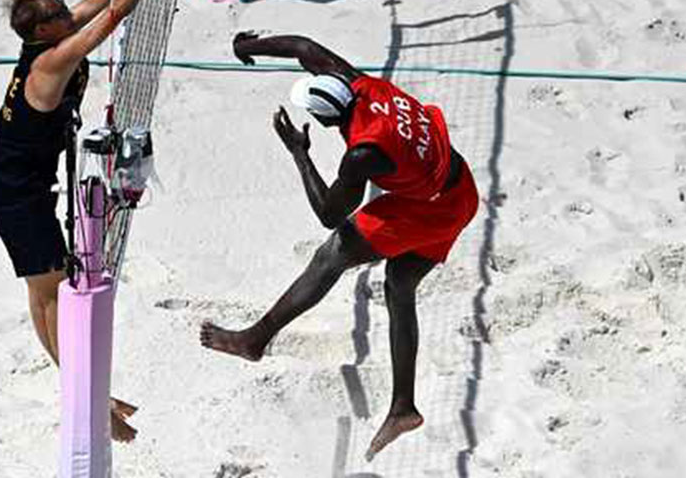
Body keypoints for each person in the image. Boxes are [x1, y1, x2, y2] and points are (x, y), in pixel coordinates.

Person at [201, 33, 479, 461]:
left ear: (326, 120)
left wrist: (299, 153)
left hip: (429, 208)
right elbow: (303, 47)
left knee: (331, 255)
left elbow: (330, 213)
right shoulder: (363, 84)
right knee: (400, 284)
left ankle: (254, 339)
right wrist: (249, 47)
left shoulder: (362, 154)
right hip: (460, 191)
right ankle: (403, 407)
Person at [0, 0, 200, 442]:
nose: (69, 10)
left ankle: (85, 388)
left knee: (43, 292)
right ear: (43, 30)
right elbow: (114, 14)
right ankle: (86, 396)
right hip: (16, 195)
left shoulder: (51, 36)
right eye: (60, 10)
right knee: (50, 294)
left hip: (24, 181)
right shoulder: (53, 58)